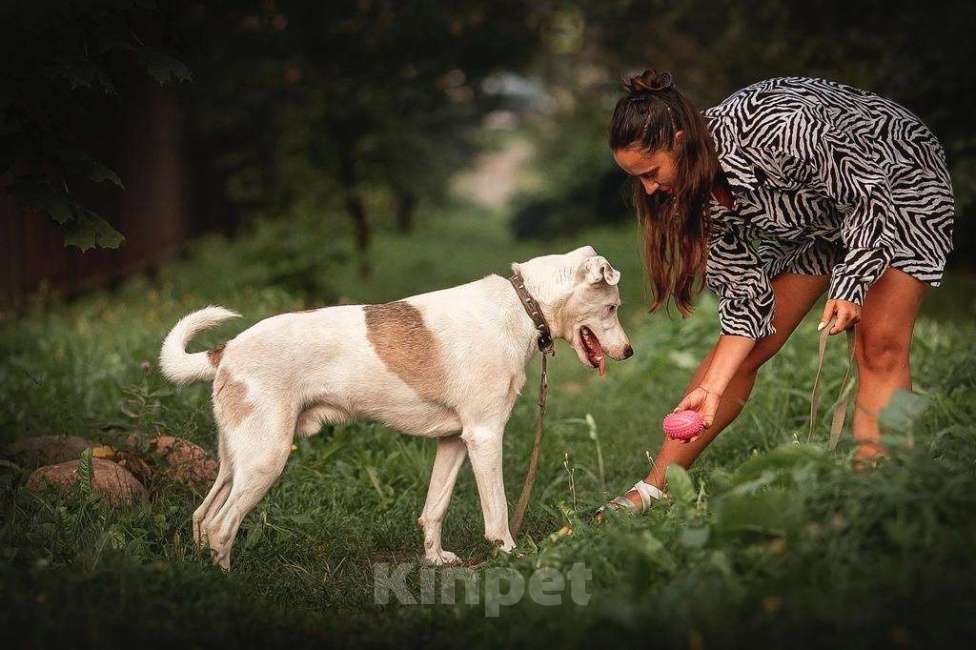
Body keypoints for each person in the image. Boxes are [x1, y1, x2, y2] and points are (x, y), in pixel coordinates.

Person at [601, 69, 955, 515]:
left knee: (879, 344)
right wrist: (711, 388)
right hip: (816, 214)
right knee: (742, 354)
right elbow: (746, 301)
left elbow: (870, 197)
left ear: (678, 139)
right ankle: (653, 490)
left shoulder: (780, 129)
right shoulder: (693, 190)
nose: (649, 189)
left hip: (897, 180)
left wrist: (852, 281)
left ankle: (877, 496)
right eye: (638, 179)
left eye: (651, 173)